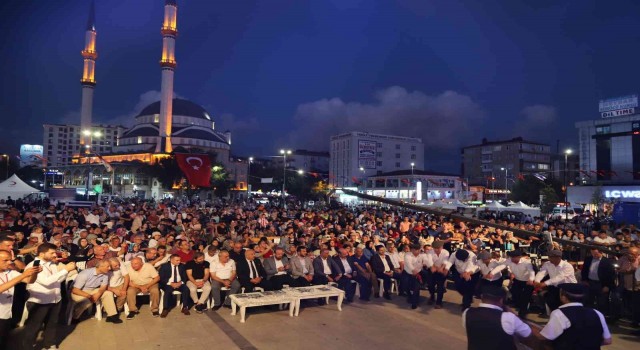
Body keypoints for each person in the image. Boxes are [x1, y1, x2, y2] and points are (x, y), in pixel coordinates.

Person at [22, 243, 76, 350]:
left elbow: (58, 280)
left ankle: (49, 344)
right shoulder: (34, 265)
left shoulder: (52, 264)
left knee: (52, 324)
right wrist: (66, 269)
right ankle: (28, 347)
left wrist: (65, 272)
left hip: (55, 299)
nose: (54, 255)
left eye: (54, 252)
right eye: (51, 253)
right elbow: (46, 282)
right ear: (42, 254)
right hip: (40, 301)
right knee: (34, 327)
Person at [536, 283, 612, 349]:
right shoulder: (597, 313)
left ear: (563, 297)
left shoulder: (559, 313)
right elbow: (607, 341)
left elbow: (545, 336)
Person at [463, 285, 533, 350]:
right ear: (501, 300)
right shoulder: (509, 317)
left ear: (481, 296)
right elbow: (527, 333)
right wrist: (514, 314)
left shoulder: (467, 313)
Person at [0, 250, 40, 349]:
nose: (10, 263)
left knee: (3, 340)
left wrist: (34, 273)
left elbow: (29, 280)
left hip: (6, 313)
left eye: (10, 260)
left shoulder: (10, 272)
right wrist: (22, 275)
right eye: (5, 260)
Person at [581, 247, 615, 314]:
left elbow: (611, 275)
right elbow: (584, 270)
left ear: (601, 252)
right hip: (590, 283)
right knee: (588, 301)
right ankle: (588, 316)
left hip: (601, 284)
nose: (594, 255)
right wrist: (584, 280)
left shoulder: (607, 261)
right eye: (592, 254)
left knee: (602, 303)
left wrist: (607, 286)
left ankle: (601, 317)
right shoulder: (588, 259)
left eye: (596, 254)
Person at [502, 250, 535, 318]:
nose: (512, 259)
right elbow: (501, 266)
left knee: (525, 297)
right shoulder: (509, 260)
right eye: (511, 257)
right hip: (517, 280)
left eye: (513, 257)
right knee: (515, 294)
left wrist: (531, 279)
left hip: (527, 282)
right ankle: (521, 307)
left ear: (519, 257)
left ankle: (523, 312)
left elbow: (531, 271)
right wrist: (492, 273)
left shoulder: (526, 262)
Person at [403, 244, 430, 309]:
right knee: (405, 286)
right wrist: (413, 270)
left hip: (418, 272)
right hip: (408, 273)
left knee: (416, 287)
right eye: (416, 250)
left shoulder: (422, 255)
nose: (418, 251)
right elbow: (409, 264)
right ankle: (409, 296)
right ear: (412, 250)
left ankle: (414, 303)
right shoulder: (407, 255)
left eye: (419, 250)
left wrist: (428, 264)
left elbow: (427, 261)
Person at [427, 240, 449, 308]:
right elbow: (430, 262)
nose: (436, 250)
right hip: (432, 269)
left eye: (438, 248)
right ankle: (432, 296)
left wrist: (441, 268)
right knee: (430, 285)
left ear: (442, 247)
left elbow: (445, 262)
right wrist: (434, 267)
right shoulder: (430, 252)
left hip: (441, 270)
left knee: (440, 286)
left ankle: (439, 302)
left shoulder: (446, 252)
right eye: (435, 248)